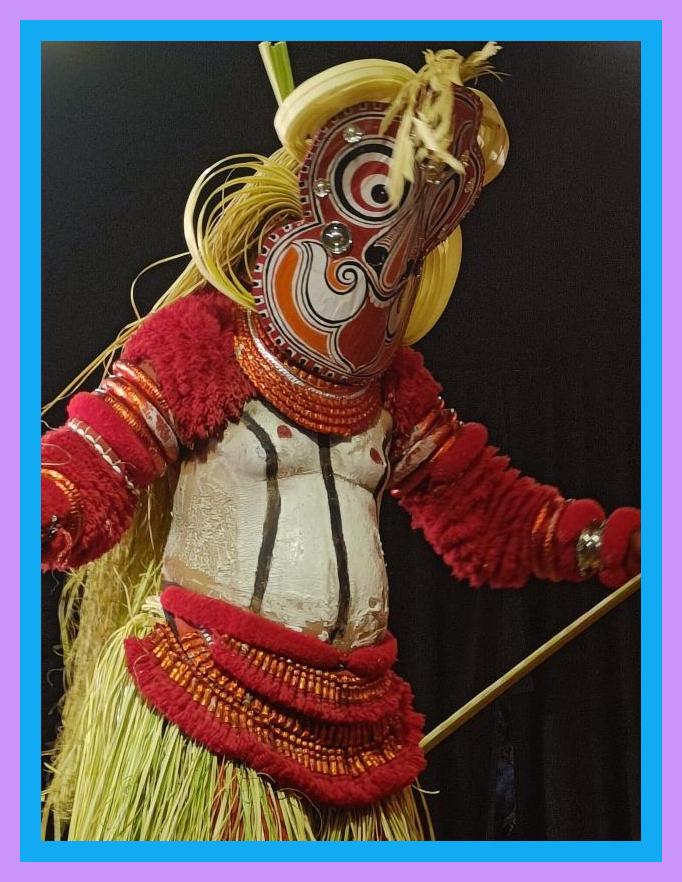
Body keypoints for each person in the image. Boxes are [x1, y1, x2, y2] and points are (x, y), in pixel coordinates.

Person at [40, 42, 640, 841]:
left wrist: (603, 544)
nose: (371, 267)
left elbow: (488, 514)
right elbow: (98, 461)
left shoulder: (397, 391)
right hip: (209, 710)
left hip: (357, 730)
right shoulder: (204, 343)